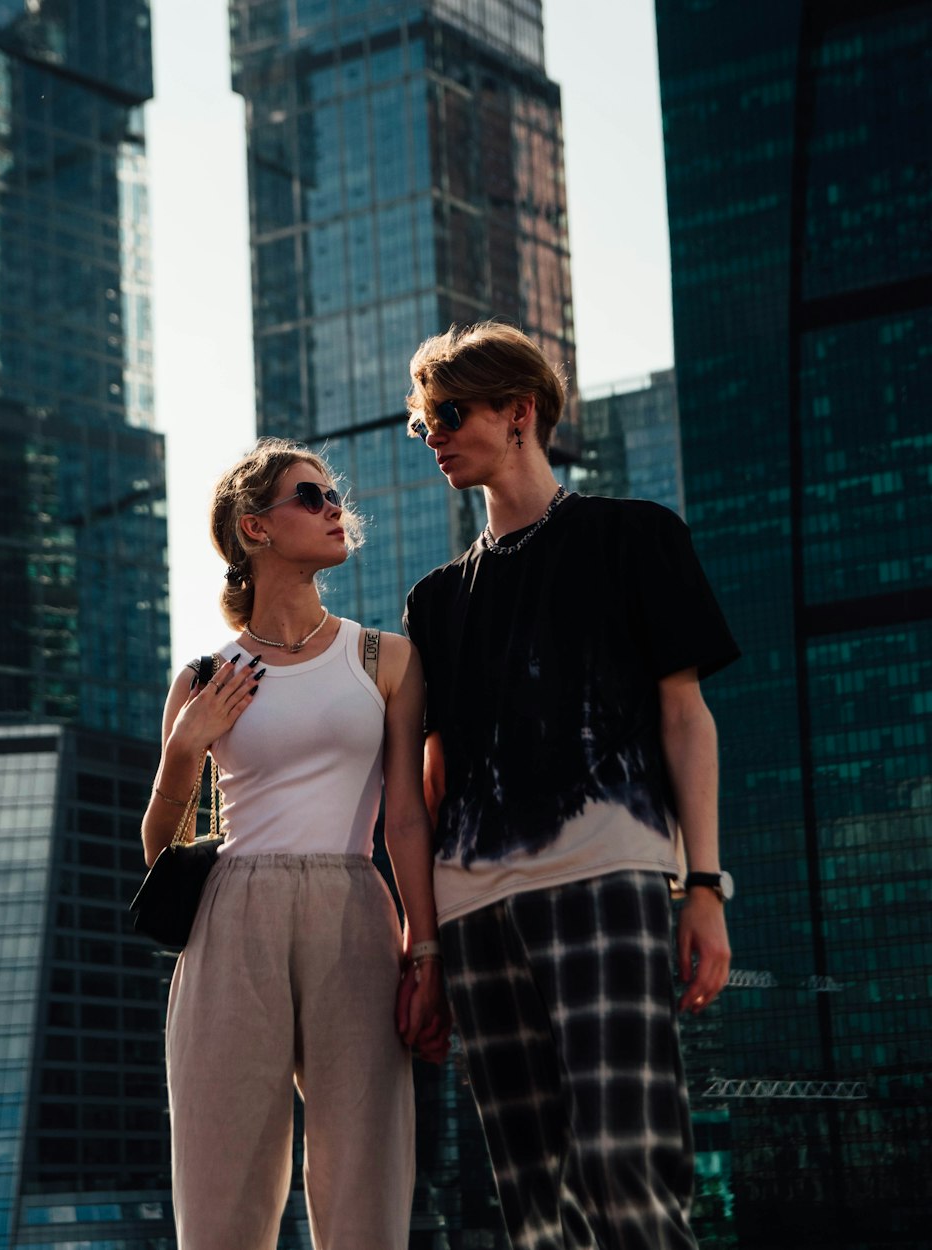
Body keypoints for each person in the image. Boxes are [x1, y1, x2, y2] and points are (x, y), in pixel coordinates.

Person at [402, 322, 740, 1250]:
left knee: (625, 1169)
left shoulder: (635, 537)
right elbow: (430, 783)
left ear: (520, 414)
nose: (433, 433)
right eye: (422, 421)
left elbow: (686, 717)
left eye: (450, 413)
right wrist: (422, 952)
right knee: (532, 1198)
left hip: (605, 878)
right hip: (473, 913)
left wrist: (702, 885)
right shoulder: (433, 602)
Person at [140, 437, 449, 1250]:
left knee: (365, 1172)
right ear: (255, 529)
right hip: (231, 914)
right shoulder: (206, 673)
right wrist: (184, 750)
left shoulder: (385, 658)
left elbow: (408, 817)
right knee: (221, 1181)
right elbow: (157, 847)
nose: (333, 509)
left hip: (354, 906)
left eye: (332, 495)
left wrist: (426, 948)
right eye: (309, 498)